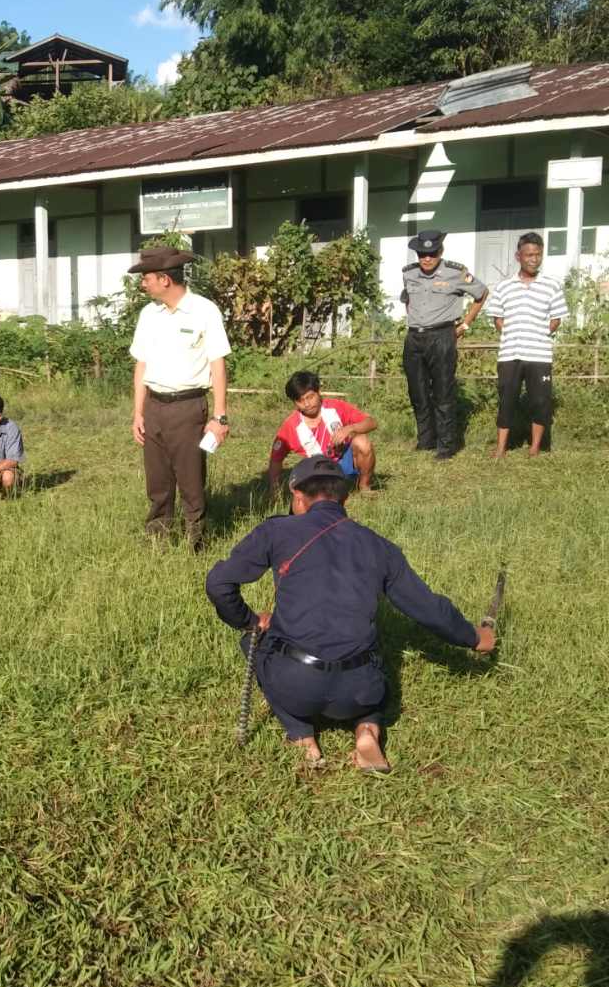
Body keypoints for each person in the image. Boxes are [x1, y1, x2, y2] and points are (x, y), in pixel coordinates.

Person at [205, 454, 495, 773]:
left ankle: (301, 735)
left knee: (252, 641)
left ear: (297, 497)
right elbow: (428, 608)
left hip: (297, 684)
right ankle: (367, 729)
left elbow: (219, 583)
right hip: (359, 690)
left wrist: (249, 621)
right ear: (345, 498)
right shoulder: (378, 545)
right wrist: (474, 637)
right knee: (377, 662)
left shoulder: (275, 531)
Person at [128, 245, 231, 549]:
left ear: (165, 279)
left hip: (188, 407)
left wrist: (220, 416)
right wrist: (138, 412)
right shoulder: (149, 314)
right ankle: (157, 537)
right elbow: (141, 365)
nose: (143, 284)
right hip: (154, 406)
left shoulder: (204, 311)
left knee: (190, 478)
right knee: (157, 480)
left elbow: (217, 364)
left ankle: (196, 540)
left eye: (146, 278)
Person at [400, 229, 488, 459]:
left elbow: (481, 294)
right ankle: (425, 440)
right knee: (417, 392)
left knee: (443, 392)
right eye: (422, 254)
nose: (427, 258)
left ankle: (447, 445)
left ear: (441, 251)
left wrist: (465, 325)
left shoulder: (455, 273)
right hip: (414, 338)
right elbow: (408, 300)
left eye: (432, 253)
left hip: (441, 336)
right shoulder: (409, 274)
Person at [486, 233, 569, 459]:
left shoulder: (552, 285)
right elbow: (497, 318)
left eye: (538, 254)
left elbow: (556, 319)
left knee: (540, 401)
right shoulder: (504, 287)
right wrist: (512, 334)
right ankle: (500, 449)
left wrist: (539, 334)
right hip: (510, 354)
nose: (534, 259)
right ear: (518, 256)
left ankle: (535, 449)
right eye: (529, 255)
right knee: (507, 400)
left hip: (539, 355)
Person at [268, 370, 377, 494]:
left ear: (318, 392)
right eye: (300, 400)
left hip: (345, 460)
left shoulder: (336, 407)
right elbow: (276, 459)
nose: (307, 404)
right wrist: (274, 491)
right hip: (318, 471)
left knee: (362, 442)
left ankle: (364, 486)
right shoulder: (290, 426)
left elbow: (372, 422)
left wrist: (350, 429)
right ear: (294, 402)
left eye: (310, 397)